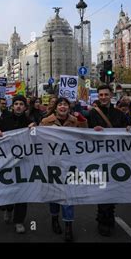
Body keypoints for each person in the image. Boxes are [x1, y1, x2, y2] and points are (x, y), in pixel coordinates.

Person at [40, 97, 87, 242]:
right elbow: (37, 141)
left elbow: (86, 134)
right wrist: (32, 129)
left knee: (68, 196)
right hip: (52, 164)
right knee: (54, 195)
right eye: (60, 104)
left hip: (70, 164)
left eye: (65, 104)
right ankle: (54, 219)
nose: (62, 106)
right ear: (55, 108)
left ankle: (68, 227)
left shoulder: (75, 121)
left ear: (69, 107)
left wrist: (83, 120)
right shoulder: (46, 122)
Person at [87, 85, 131, 237]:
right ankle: (103, 221)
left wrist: (129, 128)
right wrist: (92, 130)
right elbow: (82, 133)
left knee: (113, 189)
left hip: (116, 158)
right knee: (103, 188)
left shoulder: (119, 113)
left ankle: (108, 216)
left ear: (111, 95)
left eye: (106, 94)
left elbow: (130, 127)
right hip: (98, 158)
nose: (103, 97)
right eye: (101, 95)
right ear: (98, 97)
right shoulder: (92, 114)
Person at [0, 95, 35, 234]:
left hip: (24, 163)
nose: (18, 106)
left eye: (21, 104)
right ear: (13, 106)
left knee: (23, 193)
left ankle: (19, 221)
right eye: (16, 103)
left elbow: (37, 140)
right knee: (8, 190)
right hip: (8, 163)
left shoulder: (30, 122)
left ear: (25, 107)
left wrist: (34, 129)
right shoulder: (4, 120)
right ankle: (8, 208)